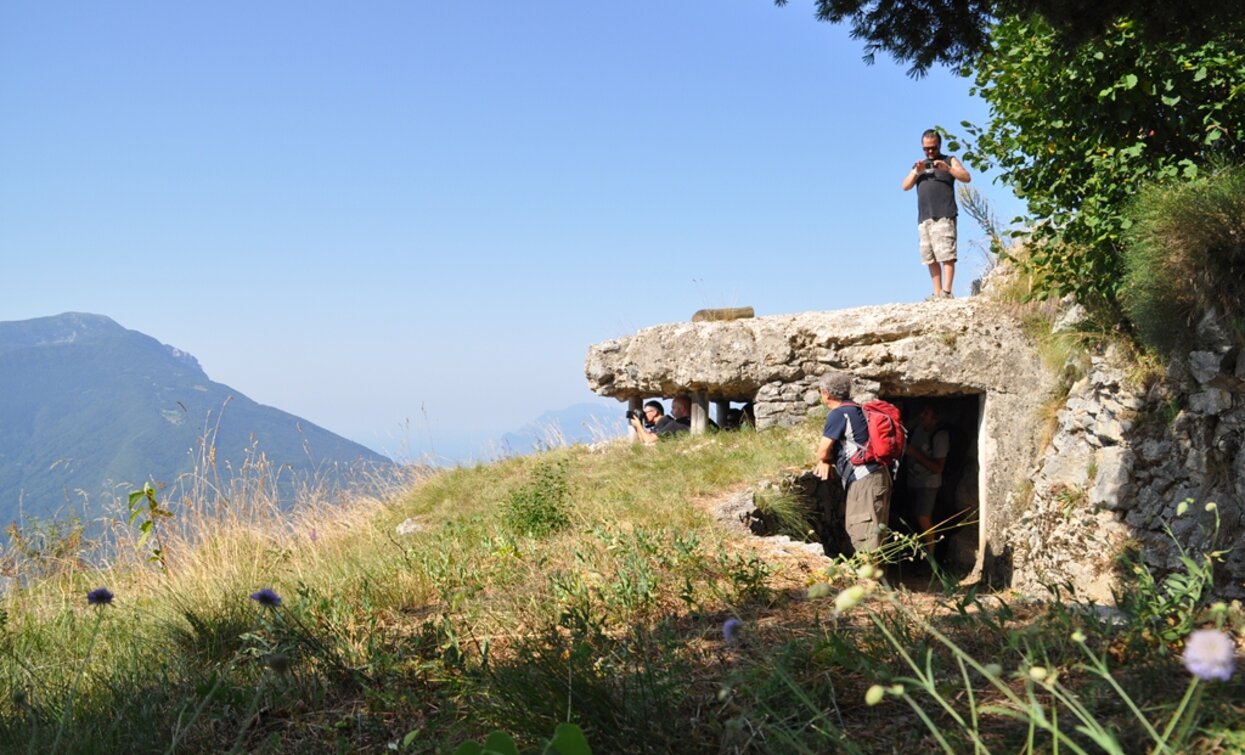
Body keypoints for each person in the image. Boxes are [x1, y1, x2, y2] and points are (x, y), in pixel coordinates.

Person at [813, 371, 893, 555]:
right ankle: (877, 581)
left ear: (826, 393)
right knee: (875, 533)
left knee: (864, 533)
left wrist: (824, 460)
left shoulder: (839, 414)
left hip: (864, 479)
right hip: (877, 476)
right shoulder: (858, 410)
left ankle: (869, 582)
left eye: (820, 391)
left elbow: (823, 450)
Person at [901, 128, 972, 301]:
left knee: (946, 254)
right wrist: (916, 172)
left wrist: (947, 169)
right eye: (926, 148)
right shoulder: (920, 166)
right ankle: (937, 292)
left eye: (933, 148)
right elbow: (905, 186)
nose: (930, 151)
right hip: (925, 217)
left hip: (944, 214)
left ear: (939, 145)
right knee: (929, 256)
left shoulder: (949, 160)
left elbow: (966, 177)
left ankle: (947, 292)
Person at [904, 405, 949, 560]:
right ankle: (915, 555)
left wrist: (915, 454)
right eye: (922, 412)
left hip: (928, 484)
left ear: (935, 418)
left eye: (926, 413)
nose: (922, 415)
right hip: (913, 481)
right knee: (913, 518)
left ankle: (930, 558)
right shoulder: (919, 428)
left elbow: (938, 468)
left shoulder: (940, 436)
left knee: (923, 517)